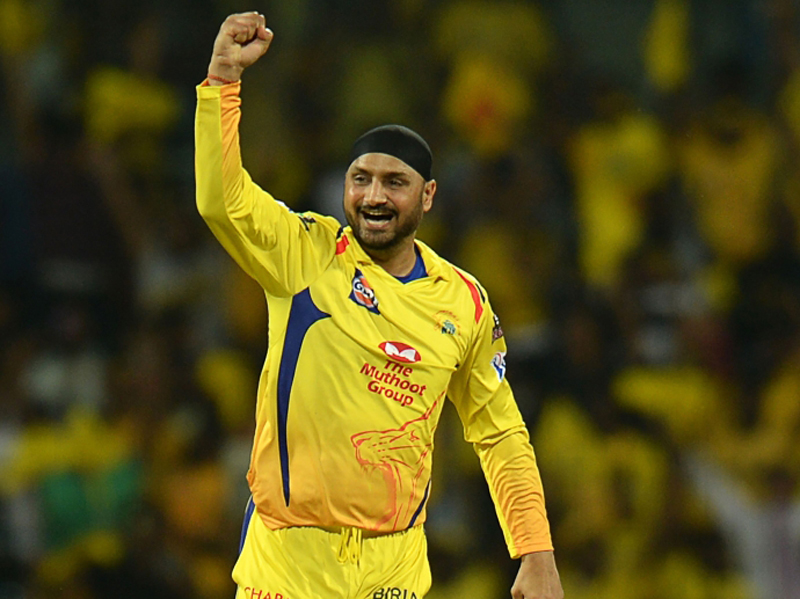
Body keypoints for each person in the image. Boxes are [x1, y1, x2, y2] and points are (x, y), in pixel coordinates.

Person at [195, 11, 563, 599]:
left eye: (394, 182)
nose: (373, 195)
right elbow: (222, 201)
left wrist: (536, 553)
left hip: (393, 575)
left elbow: (500, 434)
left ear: (428, 196)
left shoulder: (463, 302)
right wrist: (222, 84)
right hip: (286, 569)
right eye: (360, 178)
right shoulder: (307, 255)